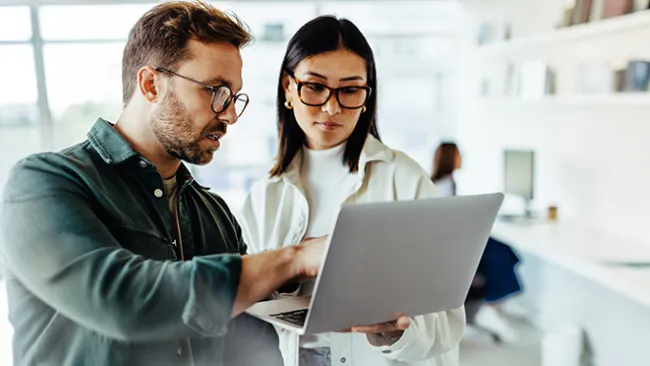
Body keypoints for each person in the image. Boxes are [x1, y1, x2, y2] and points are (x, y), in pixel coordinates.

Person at [0, 2, 326, 366]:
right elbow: (123, 300)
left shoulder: (214, 213)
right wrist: (292, 260)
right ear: (150, 84)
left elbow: (251, 347)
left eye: (234, 97)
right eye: (216, 91)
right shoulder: (42, 184)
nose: (231, 114)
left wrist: (336, 305)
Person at [239, 16, 465, 366]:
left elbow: (447, 323)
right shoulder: (264, 196)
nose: (332, 107)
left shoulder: (403, 179)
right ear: (288, 87)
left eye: (349, 90)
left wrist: (395, 333)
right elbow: (247, 309)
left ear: (366, 95)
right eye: (315, 86)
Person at [431, 142, 522, 343]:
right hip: (451, 247)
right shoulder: (443, 186)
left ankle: (490, 307)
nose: (462, 158)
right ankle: (491, 306)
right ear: (450, 158)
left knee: (504, 252)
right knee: (502, 255)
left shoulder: (445, 182)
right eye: (459, 154)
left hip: (455, 242)